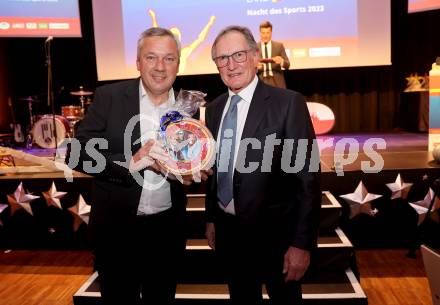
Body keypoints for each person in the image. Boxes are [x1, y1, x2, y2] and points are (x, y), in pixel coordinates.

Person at [68, 27, 191, 305]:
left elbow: (192, 164)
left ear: (178, 63)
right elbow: (76, 154)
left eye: (169, 59)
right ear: (138, 62)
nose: (160, 67)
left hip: (166, 233)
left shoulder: (188, 108)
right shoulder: (109, 96)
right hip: (116, 233)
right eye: (151, 57)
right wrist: (131, 162)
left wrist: (195, 168)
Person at [205, 25, 321, 305]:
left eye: (238, 55)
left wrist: (301, 244)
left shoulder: (288, 103)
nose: (230, 65)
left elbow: (307, 178)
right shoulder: (214, 108)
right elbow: (216, 170)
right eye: (222, 58)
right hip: (229, 235)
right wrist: (211, 217)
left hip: (277, 240)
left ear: (255, 56)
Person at [148, 9, 216, 75]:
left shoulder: (184, 52)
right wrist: (153, 17)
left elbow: (200, 39)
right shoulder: (165, 51)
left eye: (176, 35)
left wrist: (209, 24)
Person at [257, 21, 290, 89]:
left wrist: (281, 61)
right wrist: (255, 67)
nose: (265, 35)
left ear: (271, 33)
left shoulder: (279, 46)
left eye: (268, 33)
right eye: (263, 33)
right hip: (261, 81)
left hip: (277, 82)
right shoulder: (254, 47)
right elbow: (249, 68)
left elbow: (287, 65)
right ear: (260, 33)